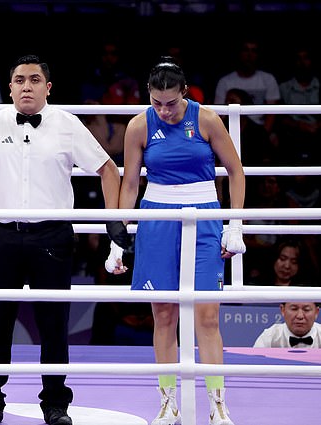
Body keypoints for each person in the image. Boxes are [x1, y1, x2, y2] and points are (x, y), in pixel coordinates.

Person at [0, 54, 127, 425]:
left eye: (33, 80)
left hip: (53, 236)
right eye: (19, 80)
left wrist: (114, 222)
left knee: (54, 324)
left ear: (48, 87)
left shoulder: (68, 125)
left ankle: (56, 404)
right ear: (10, 86)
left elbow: (108, 170)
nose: (26, 86)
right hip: (0, 236)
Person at [119, 57, 246, 425]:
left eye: (171, 103)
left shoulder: (206, 119)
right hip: (156, 217)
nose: (165, 110)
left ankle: (218, 403)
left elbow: (236, 173)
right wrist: (118, 231)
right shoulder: (138, 125)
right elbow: (130, 183)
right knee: (163, 315)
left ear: (185, 93)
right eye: (157, 103)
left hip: (204, 216)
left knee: (207, 316)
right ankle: (166, 400)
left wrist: (233, 224)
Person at [253, 302, 321, 348]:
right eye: (294, 309)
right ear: (283, 310)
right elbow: (254, 364)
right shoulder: (270, 336)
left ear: (316, 312)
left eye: (306, 310)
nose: (300, 316)